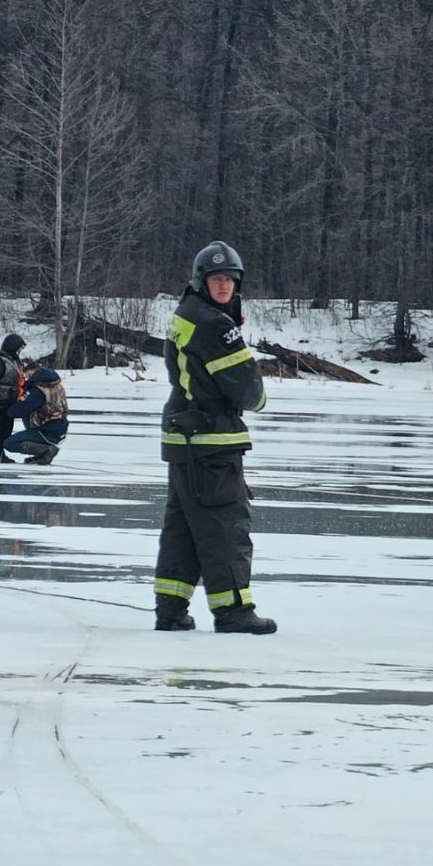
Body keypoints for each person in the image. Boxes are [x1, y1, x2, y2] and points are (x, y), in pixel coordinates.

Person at [152, 241, 276, 635]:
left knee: (184, 529)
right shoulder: (214, 325)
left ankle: (170, 610)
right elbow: (248, 392)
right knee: (225, 525)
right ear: (200, 281)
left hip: (183, 438)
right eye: (217, 278)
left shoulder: (185, 314)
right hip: (210, 442)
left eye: (230, 279)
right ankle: (234, 610)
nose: (224, 285)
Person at [3, 362, 68, 465]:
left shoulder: (37, 392)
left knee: (9, 444)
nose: (28, 379)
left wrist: (8, 407)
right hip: (59, 428)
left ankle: (47, 450)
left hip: (45, 431)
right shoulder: (56, 385)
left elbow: (17, 411)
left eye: (28, 375)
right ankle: (42, 456)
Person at [0, 333, 26, 463]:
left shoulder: (15, 361)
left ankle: (1, 454)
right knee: (0, 428)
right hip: (0, 401)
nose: (19, 352)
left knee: (7, 428)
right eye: (18, 349)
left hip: (11, 401)